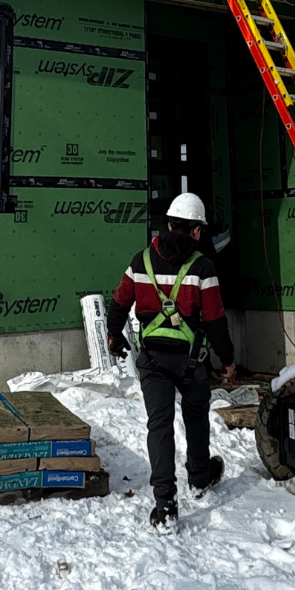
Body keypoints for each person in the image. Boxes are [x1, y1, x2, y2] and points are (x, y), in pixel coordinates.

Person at [106, 193, 237, 529]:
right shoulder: (203, 267)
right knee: (195, 417)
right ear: (196, 231)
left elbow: (120, 301)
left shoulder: (140, 261)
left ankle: (165, 505)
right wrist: (227, 360)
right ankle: (199, 477)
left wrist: (113, 334)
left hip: (153, 361)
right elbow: (215, 319)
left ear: (168, 225)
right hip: (192, 361)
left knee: (160, 426)